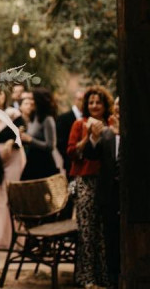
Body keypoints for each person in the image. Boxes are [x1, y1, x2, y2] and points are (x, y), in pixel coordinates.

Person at [67, 85, 115, 288]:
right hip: (85, 181)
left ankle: (104, 276)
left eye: (98, 102)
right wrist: (88, 136)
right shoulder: (79, 124)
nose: (94, 106)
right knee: (87, 230)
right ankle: (86, 277)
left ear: (105, 105)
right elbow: (71, 152)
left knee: (103, 231)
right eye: (91, 102)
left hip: (106, 182)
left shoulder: (112, 124)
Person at [84, 96, 120, 288]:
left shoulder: (137, 132)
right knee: (110, 237)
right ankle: (113, 279)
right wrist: (94, 137)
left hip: (130, 195)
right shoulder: (106, 132)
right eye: (117, 106)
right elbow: (90, 155)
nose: (119, 109)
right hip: (108, 193)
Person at [0, 90, 26, 249]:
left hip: (13, 158)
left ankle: (13, 240)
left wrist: (11, 141)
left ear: (5, 96)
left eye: (0, 93)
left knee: (9, 196)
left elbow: (22, 131)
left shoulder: (13, 113)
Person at [20, 88, 61, 180]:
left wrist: (30, 140)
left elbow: (51, 146)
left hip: (44, 164)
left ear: (39, 101)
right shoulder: (33, 117)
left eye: (32, 99)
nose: (30, 102)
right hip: (32, 161)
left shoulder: (47, 119)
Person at [56, 89, 84, 179]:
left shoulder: (88, 117)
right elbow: (60, 142)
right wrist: (68, 157)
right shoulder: (63, 118)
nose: (83, 102)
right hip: (70, 163)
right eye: (80, 99)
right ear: (75, 100)